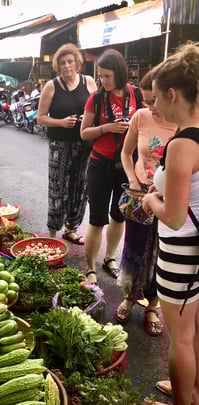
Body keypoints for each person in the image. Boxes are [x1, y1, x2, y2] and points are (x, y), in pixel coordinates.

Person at [142, 42, 199, 405]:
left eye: (157, 99)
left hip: (183, 250)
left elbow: (175, 217)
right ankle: (193, 392)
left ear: (173, 93)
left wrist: (150, 200)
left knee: (179, 337)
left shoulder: (182, 144)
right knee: (195, 332)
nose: (155, 107)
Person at [115, 70, 177, 336]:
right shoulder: (140, 117)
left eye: (154, 101)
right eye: (146, 101)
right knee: (134, 249)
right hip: (140, 197)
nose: (150, 107)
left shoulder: (182, 125)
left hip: (170, 200)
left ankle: (152, 305)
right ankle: (129, 296)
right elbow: (126, 153)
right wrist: (133, 180)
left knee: (160, 254)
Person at [80, 49, 142, 284]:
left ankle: (109, 258)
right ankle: (90, 268)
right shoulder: (95, 97)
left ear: (119, 73)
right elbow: (84, 132)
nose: (103, 81)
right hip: (100, 162)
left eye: (107, 76)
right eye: (100, 76)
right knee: (97, 218)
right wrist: (107, 127)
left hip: (127, 163)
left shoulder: (135, 94)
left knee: (119, 215)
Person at [37, 43, 97, 245]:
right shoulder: (52, 86)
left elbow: (97, 110)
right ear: (58, 66)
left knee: (80, 188)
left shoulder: (89, 82)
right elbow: (41, 118)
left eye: (70, 61)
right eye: (62, 63)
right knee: (58, 188)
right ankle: (53, 232)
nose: (67, 66)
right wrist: (61, 123)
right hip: (60, 146)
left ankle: (72, 228)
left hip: (85, 144)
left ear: (77, 63)